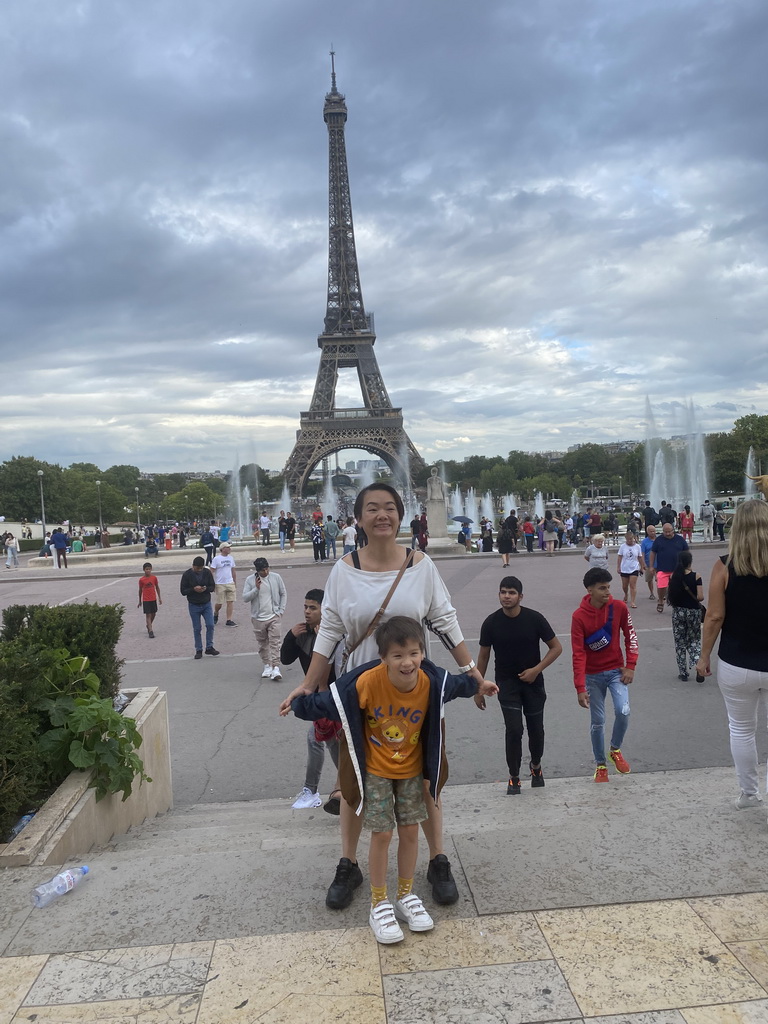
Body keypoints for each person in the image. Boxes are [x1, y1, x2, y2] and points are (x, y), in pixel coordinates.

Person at [279, 482, 494, 912]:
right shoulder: (343, 569)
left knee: (428, 776)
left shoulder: (421, 565)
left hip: (416, 694)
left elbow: (445, 621)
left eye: (390, 508)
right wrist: (310, 682)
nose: (383, 515)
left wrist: (473, 672)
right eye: (372, 508)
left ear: (401, 515)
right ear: (357, 518)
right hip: (362, 696)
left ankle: (437, 859)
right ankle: (349, 862)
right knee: (354, 780)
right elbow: (331, 630)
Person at [289, 615, 498, 944]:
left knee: (411, 832)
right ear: (383, 657)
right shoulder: (366, 682)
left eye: (414, 653)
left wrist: (479, 683)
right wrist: (298, 704)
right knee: (383, 834)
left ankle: (404, 895)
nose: (407, 662)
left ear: (422, 654)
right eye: (398, 656)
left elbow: (458, 685)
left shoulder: (431, 681)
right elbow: (328, 702)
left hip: (411, 773)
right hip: (377, 773)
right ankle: (378, 903)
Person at [696, 500, 768, 810]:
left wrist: (703, 657)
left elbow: (713, 617)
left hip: (737, 661)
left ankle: (749, 795)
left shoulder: (724, 566)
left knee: (741, 730)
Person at [475, 576, 562, 794]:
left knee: (536, 730)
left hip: (533, 684)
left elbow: (556, 648)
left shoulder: (534, 619)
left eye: (511, 592)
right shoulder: (491, 623)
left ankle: (536, 767)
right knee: (514, 730)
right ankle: (514, 776)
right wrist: (478, 687)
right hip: (506, 684)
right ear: (499, 595)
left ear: (520, 596)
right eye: (503, 592)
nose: (507, 596)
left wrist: (536, 670)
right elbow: (483, 657)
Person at [571, 567, 639, 782]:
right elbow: (578, 654)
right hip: (592, 676)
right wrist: (580, 687)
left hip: (616, 671)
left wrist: (631, 666)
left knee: (624, 710)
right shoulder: (579, 617)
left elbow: (631, 636)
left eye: (609, 587)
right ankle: (601, 765)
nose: (608, 592)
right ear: (589, 590)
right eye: (602, 588)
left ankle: (615, 750)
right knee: (598, 720)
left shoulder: (619, 608)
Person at [281, 588, 342, 811]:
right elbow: (285, 659)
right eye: (305, 607)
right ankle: (339, 786)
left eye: (312, 608)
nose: (307, 612)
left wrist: (324, 637)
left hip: (335, 697)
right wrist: (291, 635)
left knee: (323, 739)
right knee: (327, 741)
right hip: (317, 698)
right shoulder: (303, 634)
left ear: (324, 610)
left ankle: (323, 789)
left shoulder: (335, 633)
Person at [243, 556, 286, 680]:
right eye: (262, 570)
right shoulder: (250, 580)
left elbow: (283, 593)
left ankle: (276, 667)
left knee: (275, 642)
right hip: (258, 617)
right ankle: (267, 665)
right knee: (262, 644)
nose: (265, 572)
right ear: (257, 571)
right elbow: (245, 598)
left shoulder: (276, 577)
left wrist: (281, 610)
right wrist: (256, 589)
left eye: (267, 569)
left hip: (274, 615)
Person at [667, 551, 704, 682]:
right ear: (690, 562)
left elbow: (670, 596)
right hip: (693, 612)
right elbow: (700, 597)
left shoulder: (673, 577)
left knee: (680, 642)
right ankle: (699, 667)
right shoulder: (696, 576)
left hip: (678, 612)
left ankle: (683, 672)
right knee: (694, 640)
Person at [180, 556, 219, 659]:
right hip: (194, 604)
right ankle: (199, 649)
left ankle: (209, 647)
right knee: (197, 628)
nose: (199, 570)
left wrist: (205, 588)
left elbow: (212, 586)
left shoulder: (207, 573)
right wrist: (193, 589)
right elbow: (183, 591)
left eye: (201, 568)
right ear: (193, 566)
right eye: (197, 568)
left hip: (206, 603)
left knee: (210, 625)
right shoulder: (187, 574)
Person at [649, 522, 689, 613]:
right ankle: (660, 600)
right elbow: (653, 553)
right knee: (661, 586)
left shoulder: (680, 539)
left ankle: (677, 603)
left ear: (673, 530)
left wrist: (688, 566)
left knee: (678, 587)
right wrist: (651, 566)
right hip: (663, 568)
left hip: (677, 569)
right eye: (665, 532)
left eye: (669, 531)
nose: (667, 534)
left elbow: (687, 553)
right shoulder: (659, 540)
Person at [211, 540, 237, 626]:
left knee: (230, 601)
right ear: (222, 549)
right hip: (220, 583)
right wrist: (212, 584)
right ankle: (216, 612)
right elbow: (212, 572)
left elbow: (233, 570)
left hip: (230, 582)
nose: (229, 549)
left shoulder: (231, 558)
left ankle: (229, 619)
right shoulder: (216, 559)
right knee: (220, 603)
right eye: (227, 547)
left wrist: (234, 581)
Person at [617, 532, 644, 608]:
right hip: (624, 568)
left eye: (631, 539)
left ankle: (633, 601)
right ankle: (626, 594)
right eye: (628, 540)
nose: (630, 541)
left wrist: (642, 567)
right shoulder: (623, 547)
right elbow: (619, 557)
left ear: (634, 538)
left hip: (634, 567)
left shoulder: (637, 546)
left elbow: (640, 557)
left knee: (633, 585)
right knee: (625, 585)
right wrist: (618, 567)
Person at [137, 562, 162, 638]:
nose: (148, 571)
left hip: (153, 598)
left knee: (153, 614)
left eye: (149, 569)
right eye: (146, 569)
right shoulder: (141, 580)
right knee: (148, 615)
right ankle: (150, 631)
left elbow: (157, 587)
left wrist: (159, 598)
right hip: (146, 600)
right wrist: (139, 600)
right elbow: (140, 590)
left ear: (151, 569)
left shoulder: (154, 578)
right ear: (144, 570)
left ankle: (148, 625)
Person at [640, 525, 658, 600]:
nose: (653, 533)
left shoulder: (659, 540)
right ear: (647, 532)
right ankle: (651, 593)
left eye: (654, 531)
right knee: (649, 579)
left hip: (659, 563)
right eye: (651, 531)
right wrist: (643, 563)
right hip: (648, 564)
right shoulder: (644, 542)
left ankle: (662, 594)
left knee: (659, 579)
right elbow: (642, 553)